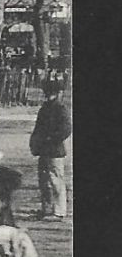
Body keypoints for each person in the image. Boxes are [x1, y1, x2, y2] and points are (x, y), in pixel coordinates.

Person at [28, 78, 71, 220]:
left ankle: (59, 211)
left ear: (58, 93)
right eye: (48, 92)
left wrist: (50, 139)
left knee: (56, 180)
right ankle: (46, 208)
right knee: (44, 180)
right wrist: (35, 143)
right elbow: (38, 129)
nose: (49, 95)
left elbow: (66, 129)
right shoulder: (45, 108)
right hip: (43, 150)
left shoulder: (60, 109)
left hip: (54, 150)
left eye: (51, 92)